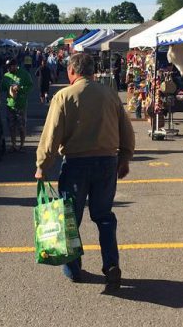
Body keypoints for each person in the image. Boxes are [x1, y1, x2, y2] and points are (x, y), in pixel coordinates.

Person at [35, 53, 135, 289]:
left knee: (70, 218)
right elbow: (126, 131)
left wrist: (42, 165)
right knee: (104, 218)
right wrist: (125, 158)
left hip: (77, 164)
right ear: (92, 71)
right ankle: (111, 264)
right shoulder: (110, 94)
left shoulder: (64, 96)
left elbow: (51, 136)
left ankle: (73, 269)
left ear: (72, 70)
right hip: (107, 163)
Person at [1, 59, 33, 152]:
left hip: (21, 105)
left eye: (10, 66)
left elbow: (30, 86)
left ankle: (22, 145)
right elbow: (2, 87)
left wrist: (20, 88)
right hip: (10, 105)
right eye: (8, 67)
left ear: (15, 65)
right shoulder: (6, 76)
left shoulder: (24, 74)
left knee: (21, 126)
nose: (9, 69)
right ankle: (13, 145)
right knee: (11, 126)